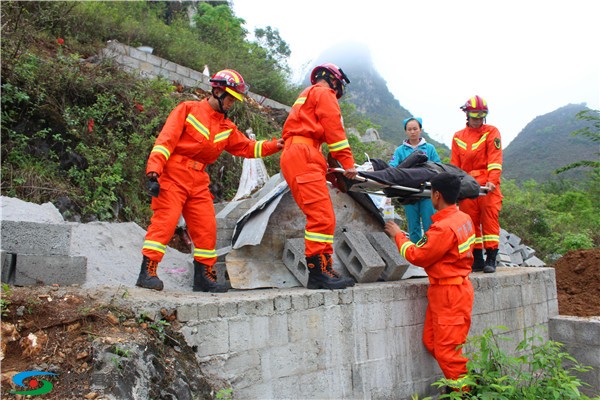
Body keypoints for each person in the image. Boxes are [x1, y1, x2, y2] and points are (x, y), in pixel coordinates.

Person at [136, 69, 284, 292]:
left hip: (198, 180)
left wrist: (276, 145)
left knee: (206, 228)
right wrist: (154, 171)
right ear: (216, 91)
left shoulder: (226, 127)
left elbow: (246, 147)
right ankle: (148, 273)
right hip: (173, 175)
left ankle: (204, 278)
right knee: (164, 224)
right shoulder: (187, 110)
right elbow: (165, 141)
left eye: (235, 100)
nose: (233, 104)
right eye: (230, 98)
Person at [384, 172, 475, 386]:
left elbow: (417, 255)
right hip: (448, 291)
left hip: (450, 295)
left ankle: (466, 392)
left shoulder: (443, 228)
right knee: (432, 342)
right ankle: (462, 384)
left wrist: (399, 235)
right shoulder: (463, 219)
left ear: (436, 195)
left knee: (447, 353)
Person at [280, 62, 358, 290]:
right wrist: (348, 164)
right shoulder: (325, 93)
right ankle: (317, 273)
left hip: (304, 154)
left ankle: (324, 267)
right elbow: (335, 132)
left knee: (325, 217)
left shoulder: (308, 94)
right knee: (321, 217)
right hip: (304, 154)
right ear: (334, 80)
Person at [451, 95, 503, 273]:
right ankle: (477, 258)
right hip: (467, 185)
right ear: (467, 115)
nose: (477, 121)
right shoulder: (458, 137)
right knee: (470, 222)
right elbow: (455, 166)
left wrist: (492, 181)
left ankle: (491, 257)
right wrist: (455, 189)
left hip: (487, 185)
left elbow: (495, 160)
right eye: (474, 117)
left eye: (480, 117)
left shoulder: (491, 132)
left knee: (489, 220)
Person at [389, 117, 441, 243]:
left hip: (427, 193)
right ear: (406, 131)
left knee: (430, 224)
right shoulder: (400, 150)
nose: (412, 132)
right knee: (413, 226)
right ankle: (416, 253)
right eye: (409, 129)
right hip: (409, 192)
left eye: (415, 129)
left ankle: (431, 250)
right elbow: (392, 166)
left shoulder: (429, 148)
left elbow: (438, 166)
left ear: (420, 130)